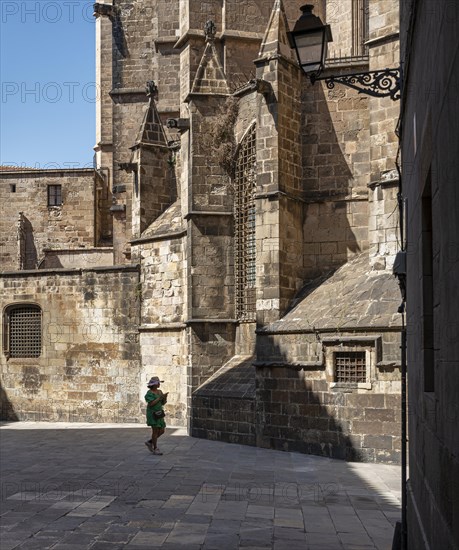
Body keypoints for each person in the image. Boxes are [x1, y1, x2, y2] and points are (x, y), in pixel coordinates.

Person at [144, 376, 168, 455]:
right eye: (158, 383)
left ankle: (150, 442)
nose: (159, 385)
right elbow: (151, 404)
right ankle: (155, 448)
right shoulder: (149, 393)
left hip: (159, 413)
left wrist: (164, 398)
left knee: (162, 430)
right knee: (155, 430)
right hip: (152, 413)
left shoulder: (160, 392)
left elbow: (163, 403)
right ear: (154, 384)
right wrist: (159, 398)